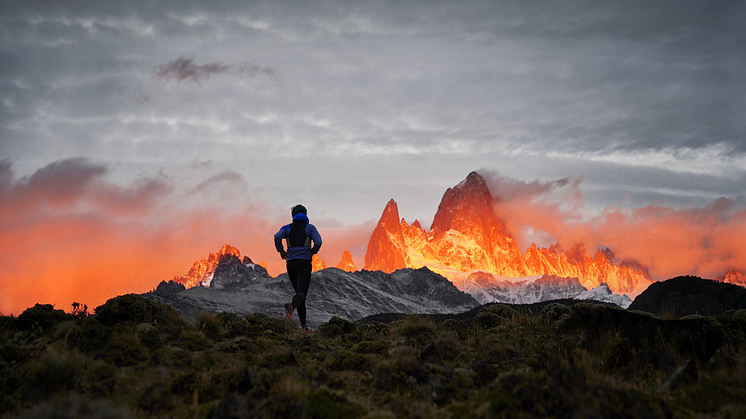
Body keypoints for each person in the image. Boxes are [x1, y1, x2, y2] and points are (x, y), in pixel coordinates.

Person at [274, 204, 322, 332]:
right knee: (301, 293)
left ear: (293, 216)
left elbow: (277, 236)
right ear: (305, 215)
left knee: (299, 294)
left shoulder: (287, 228)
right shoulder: (310, 228)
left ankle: (304, 328)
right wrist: (312, 252)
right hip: (304, 263)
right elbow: (318, 242)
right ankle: (291, 306)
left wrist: (281, 251)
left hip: (291, 263)